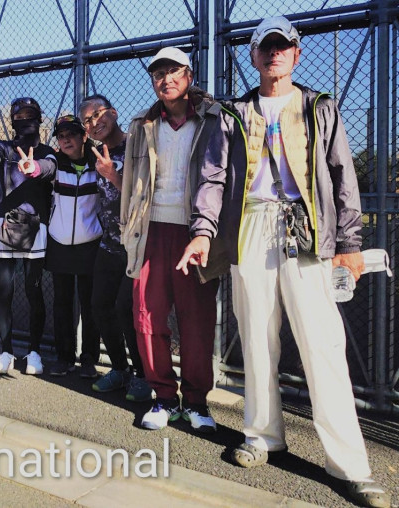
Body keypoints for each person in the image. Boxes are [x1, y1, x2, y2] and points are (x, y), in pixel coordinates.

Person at [179, 16, 390, 508]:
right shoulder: (232, 114)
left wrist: (349, 241)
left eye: (283, 46)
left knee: (322, 344)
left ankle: (349, 464)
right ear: (254, 56)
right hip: (251, 225)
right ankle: (262, 435)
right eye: (266, 46)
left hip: (307, 229)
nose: (275, 53)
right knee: (255, 337)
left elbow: (342, 175)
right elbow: (213, 178)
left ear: (296, 54)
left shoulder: (319, 107)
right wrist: (203, 232)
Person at [120, 47, 227, 432]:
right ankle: (163, 396)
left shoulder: (214, 118)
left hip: (195, 232)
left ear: (189, 75)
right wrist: (128, 227)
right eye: (158, 74)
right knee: (147, 316)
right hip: (150, 231)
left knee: (196, 320)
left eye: (174, 71)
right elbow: (130, 182)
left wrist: (212, 232)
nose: (166, 79)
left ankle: (196, 401)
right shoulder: (142, 124)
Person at [78, 94, 152, 402]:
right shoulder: (93, 153)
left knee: (126, 308)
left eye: (98, 114)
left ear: (114, 112)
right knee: (99, 305)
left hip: (136, 246)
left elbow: (146, 196)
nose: (94, 123)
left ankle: (144, 375)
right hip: (108, 244)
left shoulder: (137, 146)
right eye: (87, 121)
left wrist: (114, 176)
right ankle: (120, 369)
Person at [0, 97, 57, 376]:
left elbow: (49, 168)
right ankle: (6, 351)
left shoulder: (48, 151)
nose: (25, 120)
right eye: (19, 116)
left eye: (30, 115)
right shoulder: (4, 147)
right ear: (13, 120)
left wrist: (34, 168)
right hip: (4, 225)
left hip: (35, 227)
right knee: (4, 291)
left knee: (33, 291)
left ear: (39, 119)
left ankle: (34, 353)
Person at [46, 115, 102, 378]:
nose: (66, 140)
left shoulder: (98, 163)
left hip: (90, 244)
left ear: (84, 136)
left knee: (90, 305)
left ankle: (89, 359)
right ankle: (64, 357)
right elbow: (41, 169)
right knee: (62, 303)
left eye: (71, 134)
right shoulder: (56, 163)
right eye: (61, 136)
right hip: (59, 243)